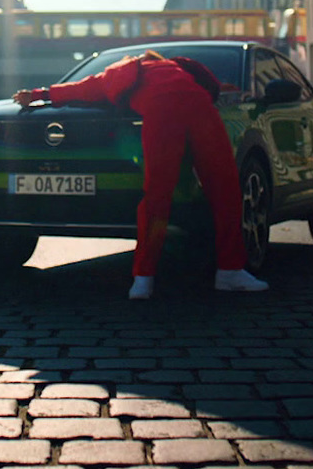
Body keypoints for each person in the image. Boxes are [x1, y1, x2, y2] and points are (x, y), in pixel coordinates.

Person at [13, 50, 269, 299]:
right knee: (225, 190)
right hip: (199, 109)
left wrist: (39, 94)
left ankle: (144, 279)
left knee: (158, 195)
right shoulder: (179, 65)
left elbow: (82, 88)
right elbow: (211, 83)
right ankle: (229, 271)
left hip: (164, 113)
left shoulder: (120, 73)